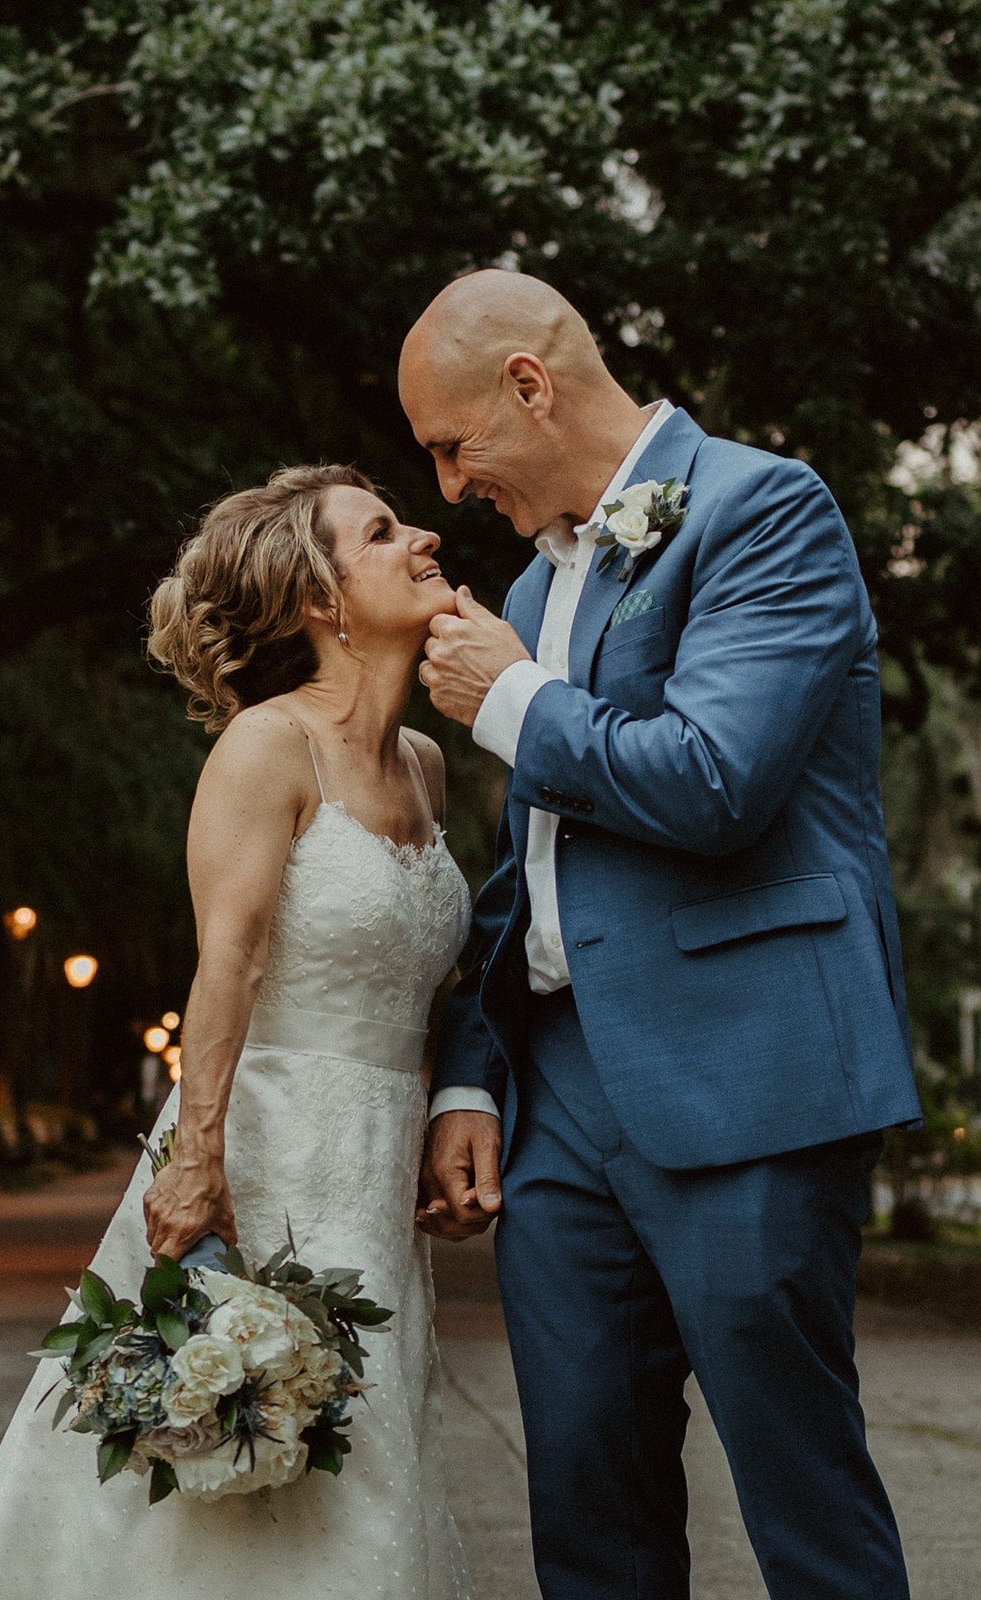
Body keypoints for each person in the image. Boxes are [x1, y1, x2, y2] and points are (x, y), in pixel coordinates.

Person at [398, 270, 923, 1600]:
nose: (449, 489)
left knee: (798, 1490)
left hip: (744, 1069)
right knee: (582, 1493)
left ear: (529, 384)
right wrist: (469, 1071)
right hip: (560, 1096)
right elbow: (528, 864)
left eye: (450, 448)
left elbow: (714, 782)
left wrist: (510, 700)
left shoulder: (762, 510)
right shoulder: (526, 595)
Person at [0, 464, 474, 1600]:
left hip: (375, 1168)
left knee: (360, 1458)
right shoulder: (267, 748)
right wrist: (192, 1165)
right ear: (322, 599)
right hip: (260, 1156)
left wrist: (438, 1115)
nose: (422, 537)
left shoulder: (423, 767)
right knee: (213, 1463)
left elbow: (426, 978)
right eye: (383, 532)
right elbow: (226, 965)